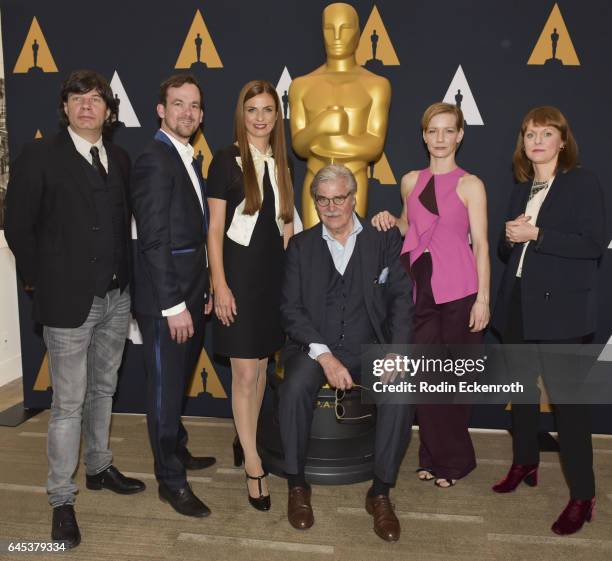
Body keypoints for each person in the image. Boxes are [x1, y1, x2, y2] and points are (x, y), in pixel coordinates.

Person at [5, 70, 145, 549]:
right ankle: (61, 498)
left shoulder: (120, 159)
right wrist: (38, 282)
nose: (87, 105)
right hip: (67, 303)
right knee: (67, 404)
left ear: (109, 112)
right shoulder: (40, 156)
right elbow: (17, 226)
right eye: (77, 98)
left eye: (96, 99)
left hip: (115, 297)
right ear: (64, 108)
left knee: (104, 390)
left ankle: (100, 466)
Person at [279, 164, 414, 542]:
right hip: (314, 349)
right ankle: (297, 485)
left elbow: (402, 300)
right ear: (316, 202)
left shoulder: (382, 240)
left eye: (340, 198)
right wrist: (324, 357)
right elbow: (291, 310)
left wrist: (397, 353)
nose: (332, 207)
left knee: (401, 392)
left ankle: (381, 492)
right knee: (293, 389)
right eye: (324, 199)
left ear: (354, 199)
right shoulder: (300, 246)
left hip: (368, 346)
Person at [490, 106, 607, 535]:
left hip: (561, 311)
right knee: (520, 392)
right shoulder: (523, 187)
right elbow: (507, 253)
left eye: (546, 133)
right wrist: (508, 237)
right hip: (518, 303)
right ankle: (525, 461)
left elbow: (593, 245)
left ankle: (583, 495)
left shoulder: (582, 182)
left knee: (569, 408)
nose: (536, 141)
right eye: (529, 134)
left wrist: (536, 235)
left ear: (562, 140)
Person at [371, 102, 490, 488]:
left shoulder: (470, 184)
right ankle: (431, 456)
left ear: (460, 135)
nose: (440, 138)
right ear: (424, 135)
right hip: (419, 289)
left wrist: (483, 299)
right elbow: (411, 227)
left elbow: (482, 246)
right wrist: (392, 219)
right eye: (432, 131)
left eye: (448, 130)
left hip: (460, 290)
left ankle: (454, 462)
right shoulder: (410, 181)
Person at [207, 80, 294, 511]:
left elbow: (286, 228)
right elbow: (214, 231)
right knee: (244, 374)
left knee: (260, 371)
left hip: (271, 282)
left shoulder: (281, 162)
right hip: (238, 281)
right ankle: (254, 465)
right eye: (252, 110)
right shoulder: (225, 160)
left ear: (277, 117)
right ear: (241, 115)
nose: (260, 118)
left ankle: (248, 438)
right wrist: (219, 284)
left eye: (267, 110)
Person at [130, 74, 214, 518]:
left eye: (195, 105)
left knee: (176, 384)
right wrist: (174, 305)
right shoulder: (154, 160)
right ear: (160, 110)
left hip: (190, 294)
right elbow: (154, 241)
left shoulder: (184, 155)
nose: (188, 112)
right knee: (164, 391)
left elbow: (191, 236)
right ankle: (170, 481)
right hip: (168, 304)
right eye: (178, 104)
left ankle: (176, 450)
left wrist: (199, 290)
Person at [289, 2, 390, 226]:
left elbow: (374, 146)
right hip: (315, 178)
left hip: (355, 180)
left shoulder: (376, 85)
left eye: (344, 28)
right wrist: (321, 125)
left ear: (358, 32)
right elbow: (299, 146)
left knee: (352, 254)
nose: (336, 36)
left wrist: (325, 143)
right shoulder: (301, 85)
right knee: (312, 253)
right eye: (329, 28)